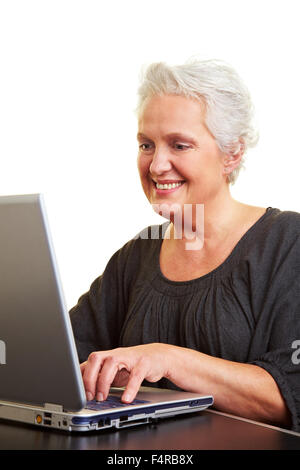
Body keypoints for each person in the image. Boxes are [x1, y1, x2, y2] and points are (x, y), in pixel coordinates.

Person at [70, 59, 300, 432]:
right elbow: (63, 357)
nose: (157, 165)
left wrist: (169, 359)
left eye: (179, 145)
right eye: (147, 144)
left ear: (232, 154)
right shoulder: (136, 256)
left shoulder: (287, 243)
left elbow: (289, 395)